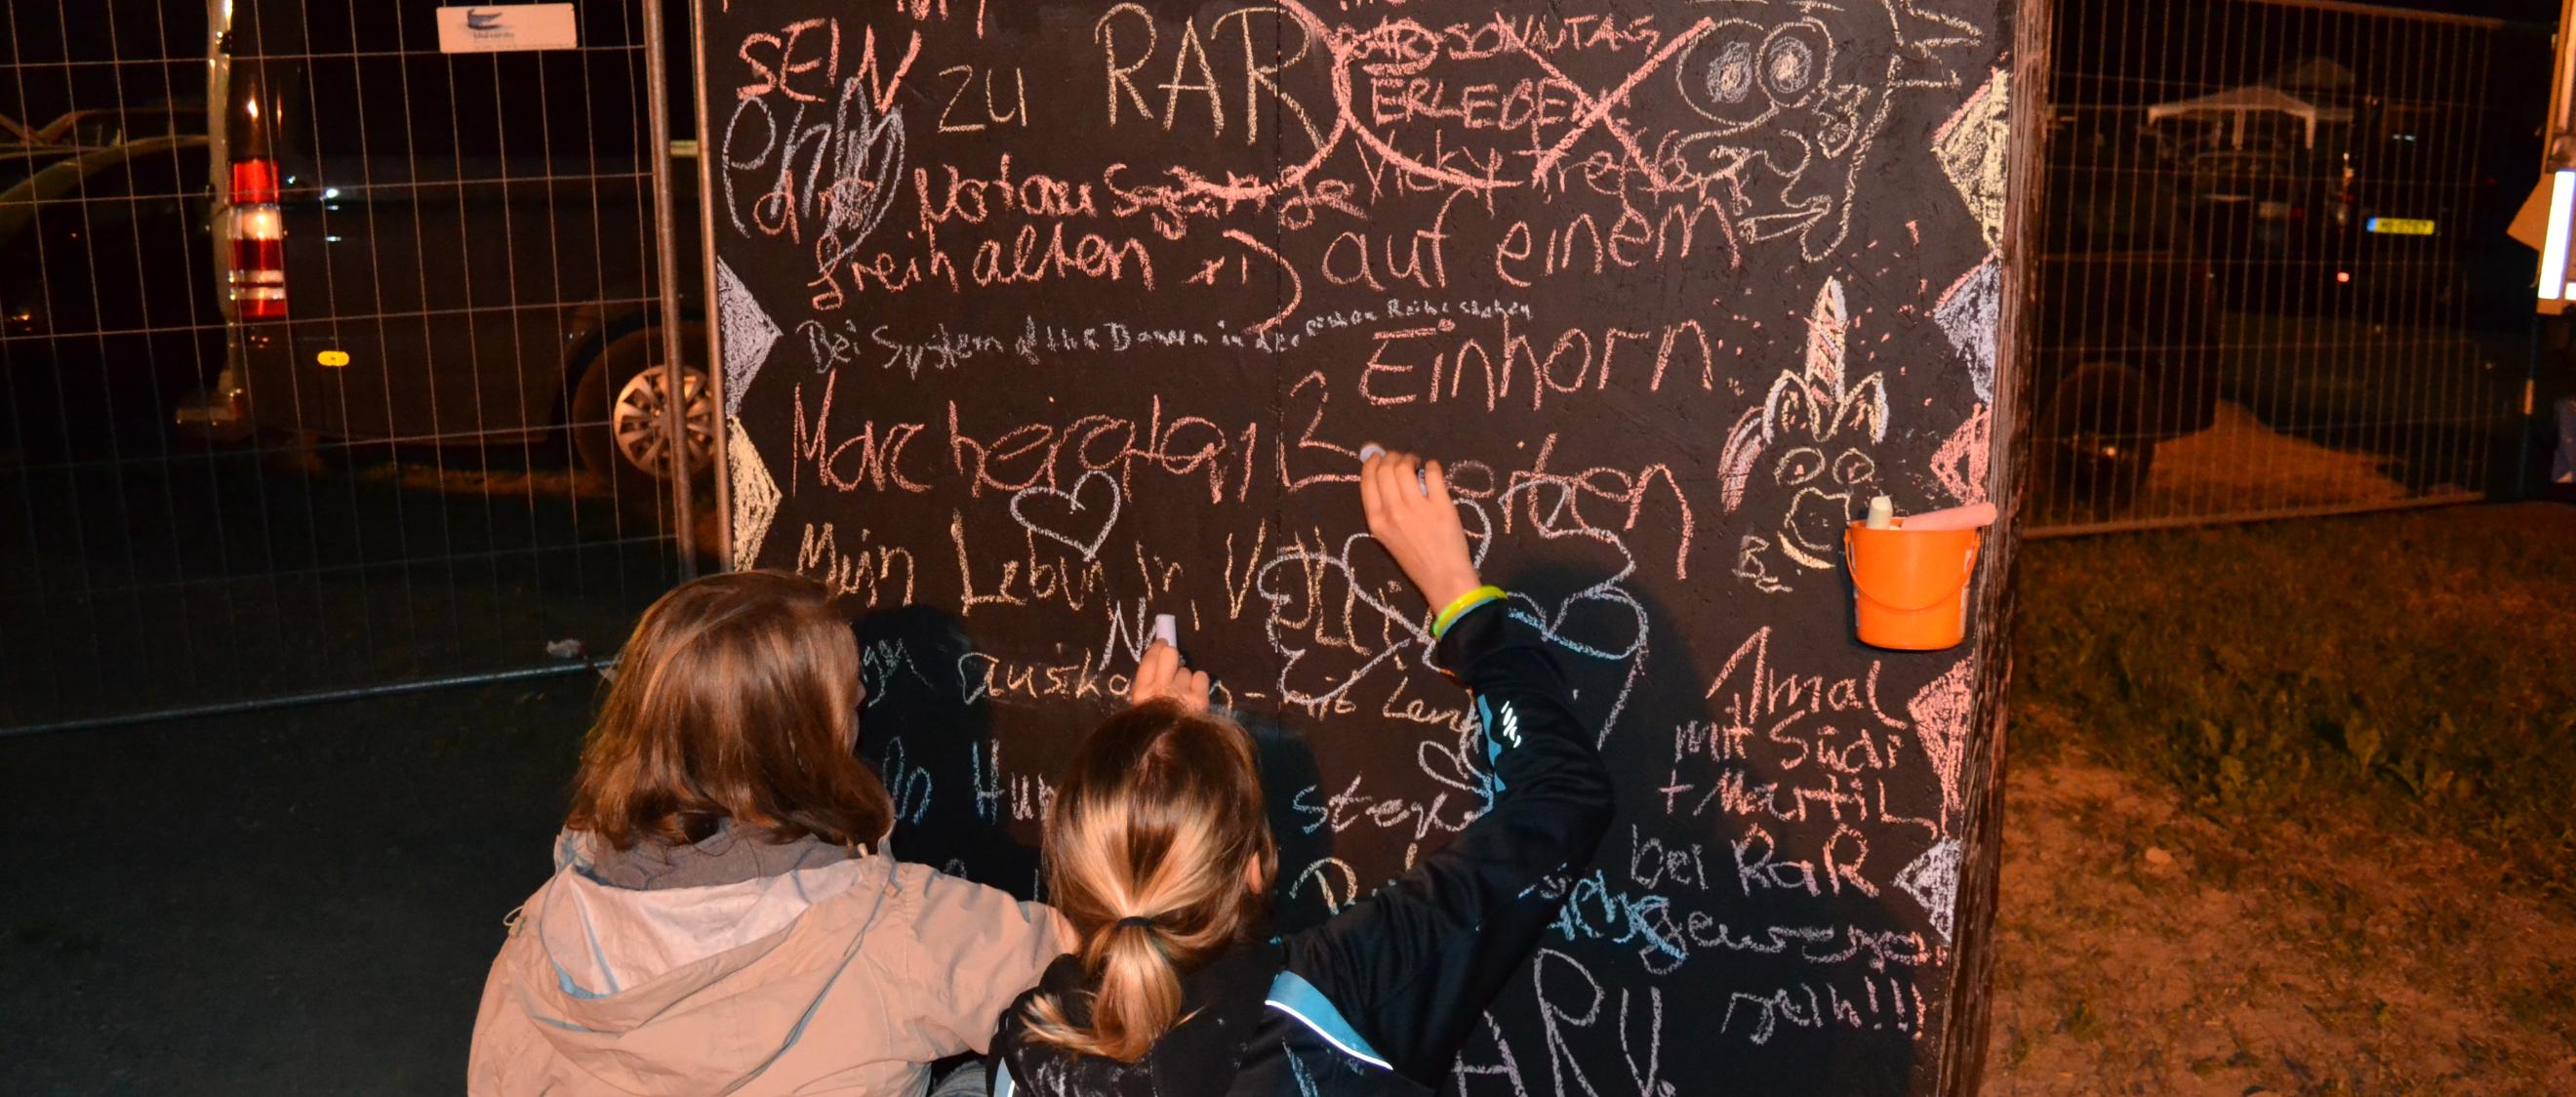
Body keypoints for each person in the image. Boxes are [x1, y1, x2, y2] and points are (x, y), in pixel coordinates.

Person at [987, 449, 1617, 1095]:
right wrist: (1463, 606)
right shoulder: (1335, 999)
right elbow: (1560, 801)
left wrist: (1152, 774)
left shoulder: (1024, 1056)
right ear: (1258, 869)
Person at [468, 571, 1070, 1096]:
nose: (865, 698)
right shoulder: (900, 929)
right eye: (848, 700)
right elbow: (1113, 986)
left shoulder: (541, 941)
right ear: (799, 749)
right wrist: (1150, 764)